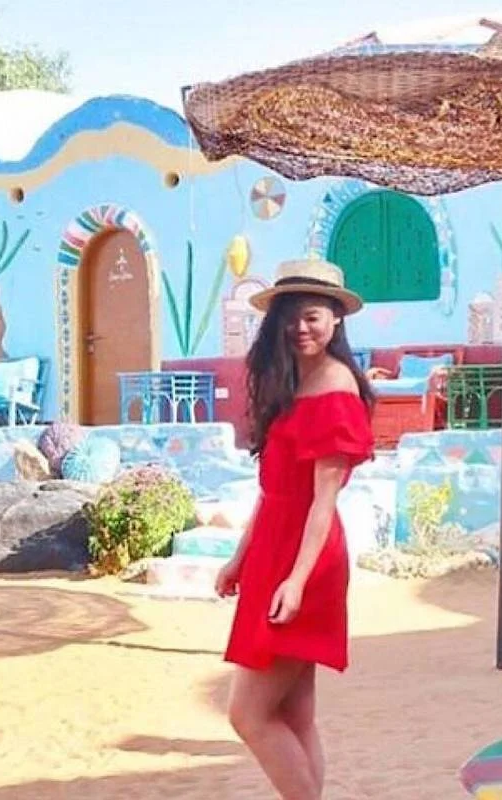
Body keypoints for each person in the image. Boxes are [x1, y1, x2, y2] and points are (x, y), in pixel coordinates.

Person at [215, 258, 374, 800]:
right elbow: (272, 491)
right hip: (272, 550)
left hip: (307, 557)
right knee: (293, 713)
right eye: (291, 317)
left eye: (312, 316)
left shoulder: (336, 387)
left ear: (336, 320)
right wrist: (240, 557)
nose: (300, 328)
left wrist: (297, 580)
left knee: (248, 714)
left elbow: (322, 503)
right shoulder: (285, 381)